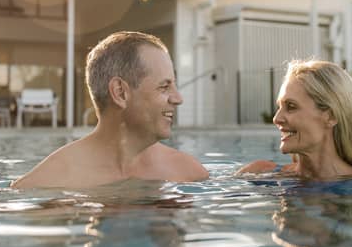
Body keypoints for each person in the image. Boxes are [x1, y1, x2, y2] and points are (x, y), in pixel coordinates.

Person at [12, 31, 208, 189]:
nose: (178, 99)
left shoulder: (187, 171)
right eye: (164, 87)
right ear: (120, 92)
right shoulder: (48, 183)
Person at [238, 59, 352, 179]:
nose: (276, 119)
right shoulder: (257, 173)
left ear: (331, 116)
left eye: (291, 106)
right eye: (279, 106)